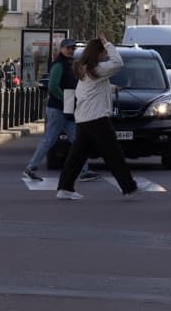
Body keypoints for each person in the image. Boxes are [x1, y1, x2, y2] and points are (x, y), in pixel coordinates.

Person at [56, 37, 140, 200]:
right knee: (113, 153)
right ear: (98, 52)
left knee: (77, 156)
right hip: (97, 118)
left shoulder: (83, 68)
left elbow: (90, 88)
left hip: (84, 118)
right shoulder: (98, 69)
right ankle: (129, 187)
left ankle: (65, 187)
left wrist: (112, 87)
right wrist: (108, 44)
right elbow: (118, 63)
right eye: (103, 52)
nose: (104, 55)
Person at [21, 39, 100, 183]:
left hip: (67, 109)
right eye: (68, 48)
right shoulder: (59, 64)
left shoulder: (68, 64)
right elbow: (53, 86)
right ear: (61, 48)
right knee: (50, 140)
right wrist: (66, 99)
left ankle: (83, 170)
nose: (71, 50)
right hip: (58, 109)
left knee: (76, 140)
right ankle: (30, 168)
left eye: (73, 48)